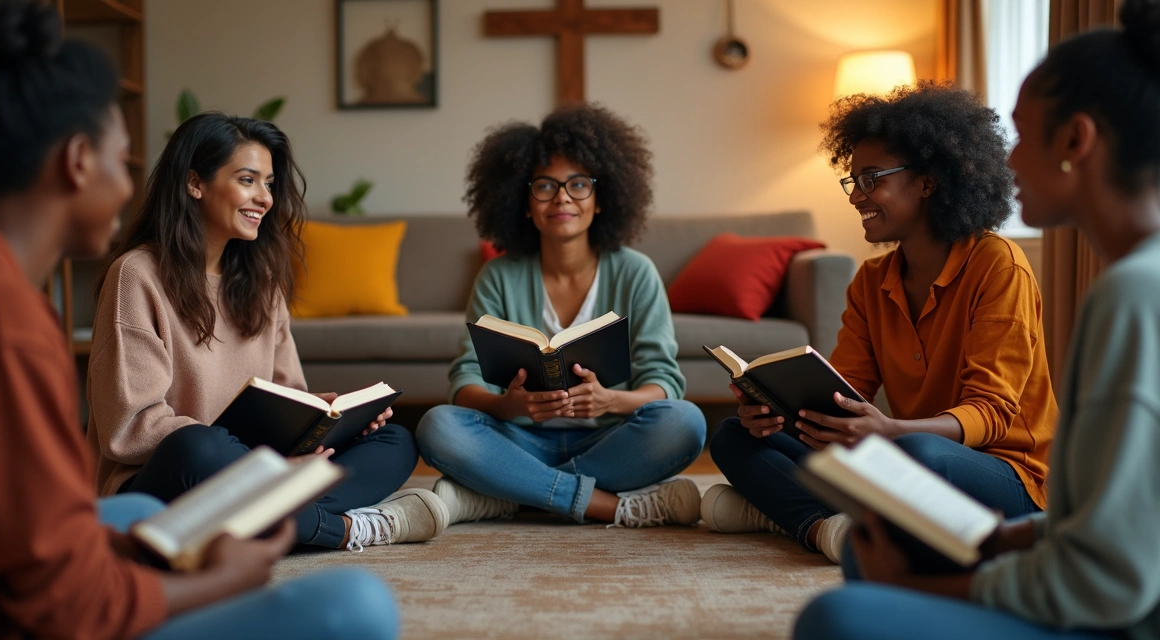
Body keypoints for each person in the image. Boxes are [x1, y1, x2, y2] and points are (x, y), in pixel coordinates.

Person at [0, 1, 397, 638]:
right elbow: (62, 598)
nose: (129, 185)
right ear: (78, 160)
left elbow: (41, 530)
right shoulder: (6, 319)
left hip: (204, 480)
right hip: (44, 590)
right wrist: (221, 578)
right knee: (358, 606)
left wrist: (320, 415)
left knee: (131, 512)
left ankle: (277, 511)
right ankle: (311, 524)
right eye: (122, 160)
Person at [796, 0, 1160, 637]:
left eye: (1022, 135)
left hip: (1116, 610)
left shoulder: (1131, 293)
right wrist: (998, 544)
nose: (1009, 162)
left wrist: (919, 585)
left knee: (838, 616)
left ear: (1076, 140)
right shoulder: (1133, 280)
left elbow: (1109, 580)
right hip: (1086, 567)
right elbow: (1107, 521)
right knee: (862, 544)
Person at [704, 82, 1058, 564]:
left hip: (1008, 474)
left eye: (872, 179)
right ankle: (823, 528)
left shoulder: (998, 265)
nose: (857, 197)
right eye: (853, 181)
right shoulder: (871, 280)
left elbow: (993, 414)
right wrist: (778, 412)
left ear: (928, 180)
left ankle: (783, 510)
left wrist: (890, 431)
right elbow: (844, 394)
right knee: (733, 436)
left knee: (917, 457)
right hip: (898, 448)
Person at [84, 109, 447, 551]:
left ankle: (266, 518)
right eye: (248, 180)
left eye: (270, 184)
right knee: (197, 446)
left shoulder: (262, 282)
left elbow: (287, 393)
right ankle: (346, 529)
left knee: (395, 441)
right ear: (194, 183)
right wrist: (260, 464)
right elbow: (133, 427)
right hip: (166, 480)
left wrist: (326, 413)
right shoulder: (137, 275)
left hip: (258, 471)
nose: (265, 198)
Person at [416, 104, 707, 528]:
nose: (562, 197)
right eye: (545, 186)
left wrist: (612, 399)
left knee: (685, 422)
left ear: (601, 197)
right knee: (437, 426)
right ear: (524, 200)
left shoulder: (635, 271)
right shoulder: (498, 275)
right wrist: (506, 404)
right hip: (519, 439)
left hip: (608, 437)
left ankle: (512, 494)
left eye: (578, 184)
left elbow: (664, 380)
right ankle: (602, 504)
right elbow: (465, 381)